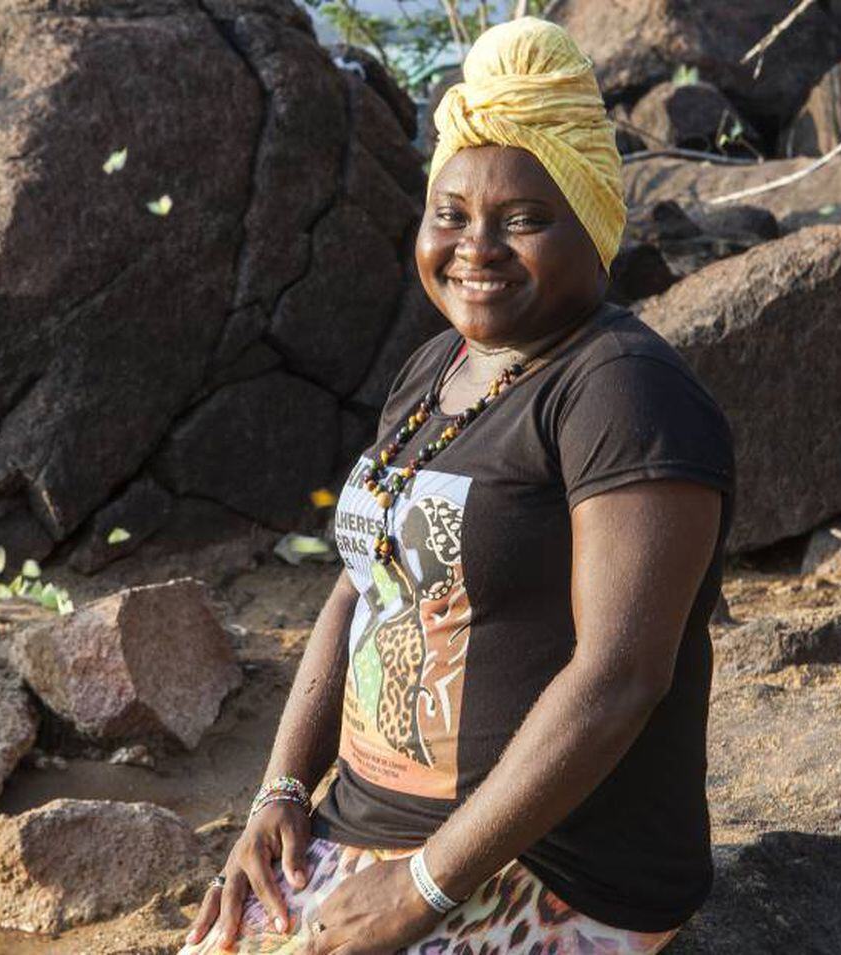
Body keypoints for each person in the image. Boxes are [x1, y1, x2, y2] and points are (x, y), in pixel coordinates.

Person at [180, 15, 735, 955]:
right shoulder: (440, 365)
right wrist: (281, 792)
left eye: (523, 219)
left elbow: (622, 674)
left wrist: (422, 889)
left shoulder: (625, 392)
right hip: (370, 835)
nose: (476, 246)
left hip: (549, 870)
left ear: (593, 224)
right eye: (452, 213)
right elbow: (363, 582)